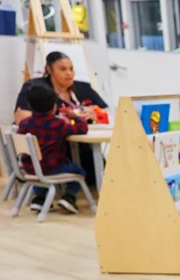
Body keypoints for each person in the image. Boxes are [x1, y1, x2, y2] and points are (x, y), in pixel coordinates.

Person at [14, 51, 109, 188]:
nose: (69, 73)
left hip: (79, 144)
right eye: (63, 69)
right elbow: (20, 117)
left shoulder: (83, 88)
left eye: (71, 69)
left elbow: (104, 112)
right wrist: (63, 120)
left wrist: (94, 114)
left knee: (95, 171)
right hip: (49, 149)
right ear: (49, 69)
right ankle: (69, 195)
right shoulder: (36, 89)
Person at [16, 83, 90, 214]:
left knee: (41, 166)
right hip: (52, 167)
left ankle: (39, 199)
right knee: (78, 170)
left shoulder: (24, 124)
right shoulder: (58, 124)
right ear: (54, 106)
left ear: (30, 106)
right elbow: (82, 129)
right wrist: (75, 117)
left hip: (29, 168)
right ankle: (69, 197)